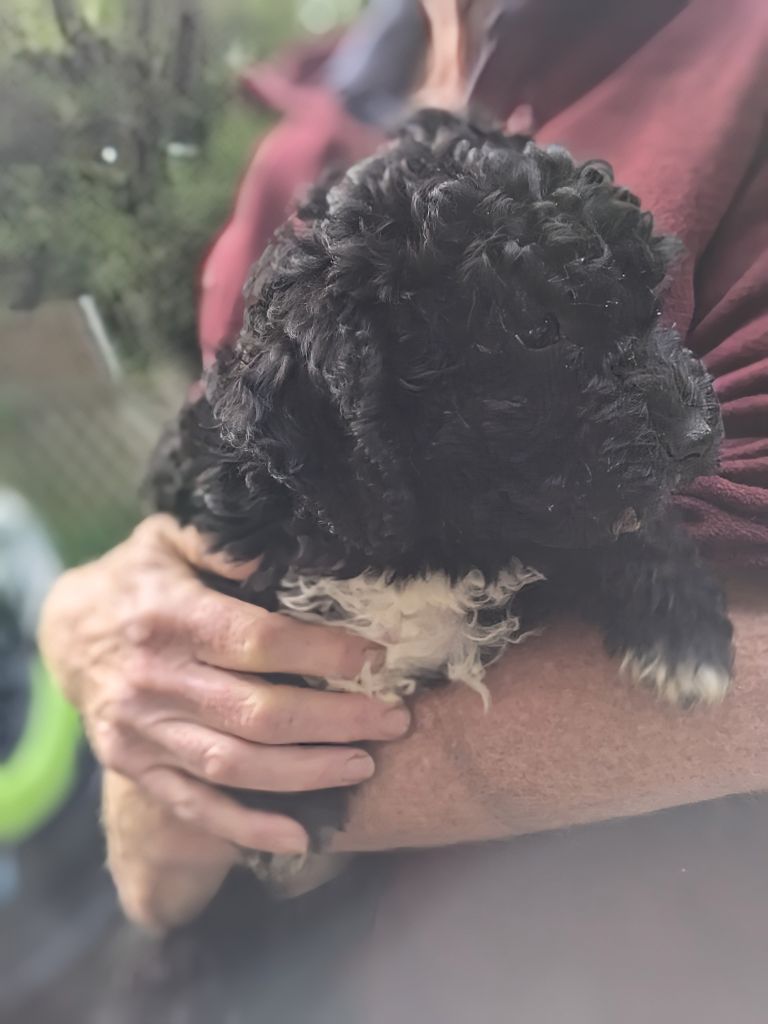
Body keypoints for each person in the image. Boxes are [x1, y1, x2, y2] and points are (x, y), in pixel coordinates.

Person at [39, 0, 768, 1019]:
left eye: (648, 322)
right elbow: (171, 581)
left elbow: (746, 675)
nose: (688, 419)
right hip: (257, 974)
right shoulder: (301, 135)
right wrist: (78, 618)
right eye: (542, 365)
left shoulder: (738, 49)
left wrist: (192, 799)